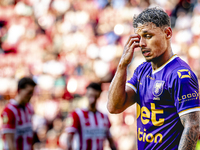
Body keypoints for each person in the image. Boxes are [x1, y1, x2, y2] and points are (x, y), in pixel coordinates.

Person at [107, 7, 200, 150]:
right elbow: (114, 106)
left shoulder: (180, 75)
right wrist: (122, 65)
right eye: (139, 38)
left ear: (167, 33)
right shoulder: (141, 71)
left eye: (148, 36)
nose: (142, 44)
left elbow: (193, 126)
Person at [66, 82, 116, 150]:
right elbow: (69, 137)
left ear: (99, 95)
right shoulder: (77, 114)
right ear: (86, 94)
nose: (92, 98)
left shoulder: (104, 117)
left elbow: (110, 140)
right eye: (90, 95)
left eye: (94, 95)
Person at [1, 77, 36, 150]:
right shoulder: (9, 110)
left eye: (32, 93)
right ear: (19, 90)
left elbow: (29, 135)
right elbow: (9, 140)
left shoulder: (29, 107)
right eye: (29, 93)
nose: (30, 96)